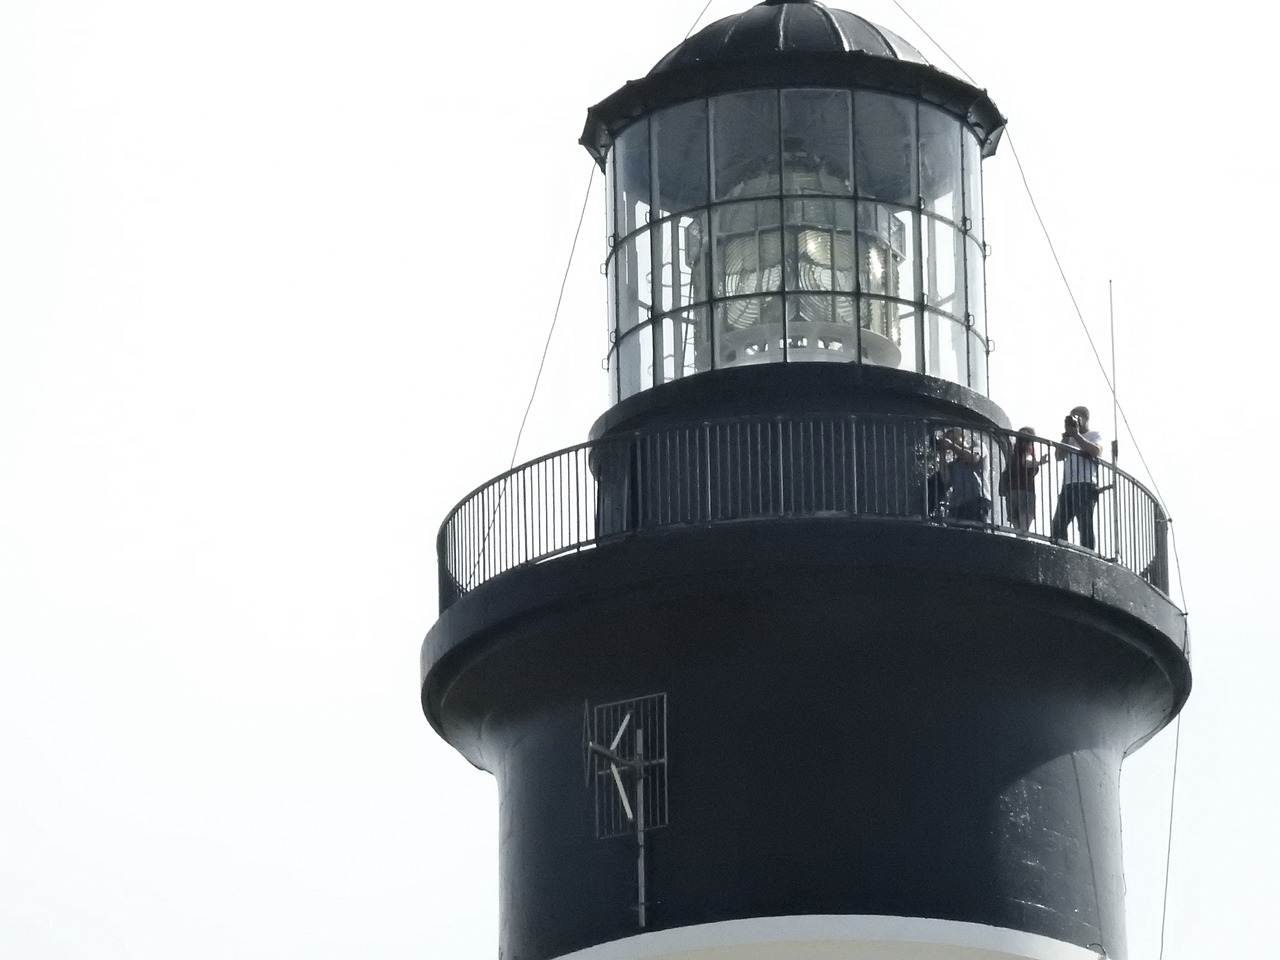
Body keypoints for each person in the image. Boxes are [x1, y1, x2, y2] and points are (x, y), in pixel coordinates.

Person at [1050, 405, 1103, 549]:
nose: (1075, 421)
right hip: (1068, 484)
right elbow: (1059, 456)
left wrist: (1077, 435)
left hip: (1086, 484)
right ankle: (1061, 550)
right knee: (1058, 523)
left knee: (1085, 524)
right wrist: (1067, 436)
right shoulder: (1069, 438)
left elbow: (1095, 451)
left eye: (1078, 417)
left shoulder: (1094, 435)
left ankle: (1088, 553)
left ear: (1086, 419)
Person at [937, 427, 990, 523]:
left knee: (977, 533)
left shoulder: (978, 445)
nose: (952, 442)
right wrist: (942, 453)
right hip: (957, 504)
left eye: (955, 439)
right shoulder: (955, 464)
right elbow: (946, 478)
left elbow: (973, 458)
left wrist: (951, 445)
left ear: (963, 437)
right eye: (950, 439)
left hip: (976, 499)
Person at [999, 427, 1048, 532]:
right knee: (1023, 528)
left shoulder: (1013, 452)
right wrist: (1039, 462)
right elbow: (1026, 461)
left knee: (1018, 527)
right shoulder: (1028, 448)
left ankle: (1019, 545)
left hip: (1012, 492)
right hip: (1024, 491)